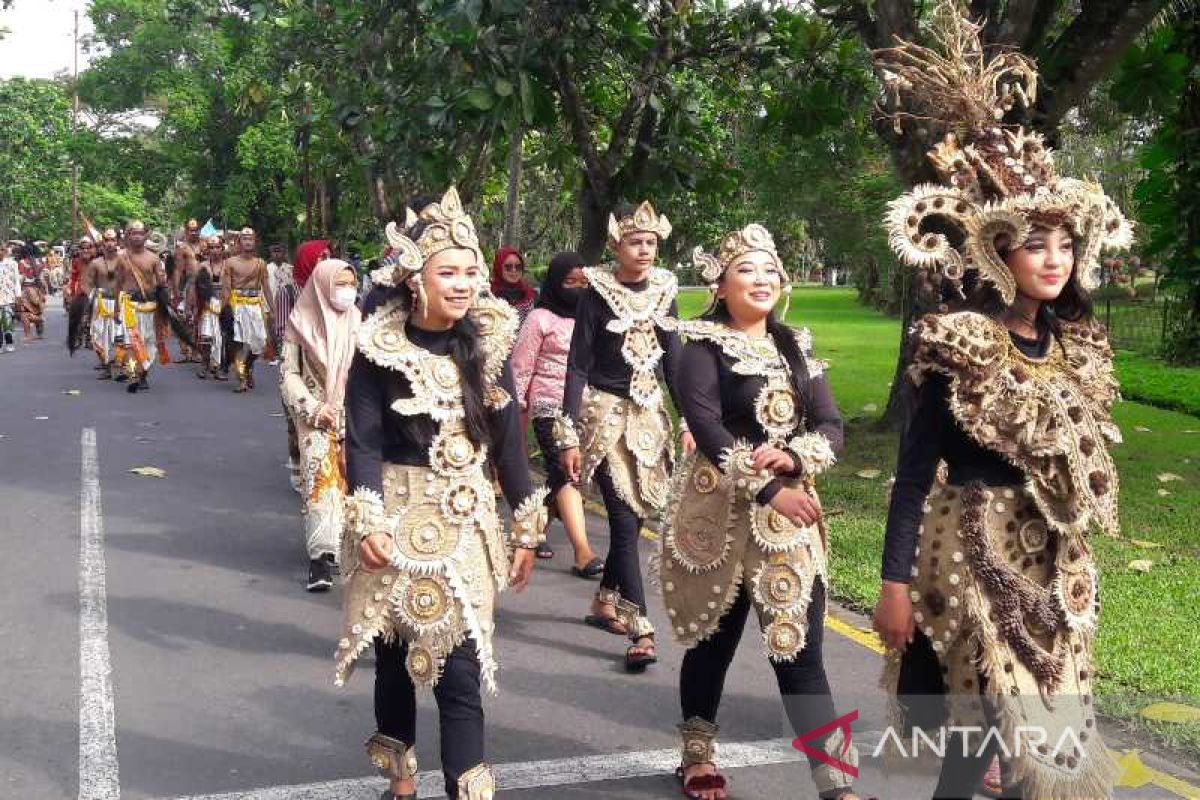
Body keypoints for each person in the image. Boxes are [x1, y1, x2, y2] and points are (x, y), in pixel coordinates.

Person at [870, 5, 1133, 798]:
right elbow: (915, 473)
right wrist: (890, 586)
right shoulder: (958, 344)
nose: (1053, 260)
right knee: (980, 744)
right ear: (997, 251)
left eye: (1065, 244)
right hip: (975, 561)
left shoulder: (1080, 346)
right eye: (1035, 244)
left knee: (1050, 750)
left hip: (1060, 569)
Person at [336, 187, 546, 800]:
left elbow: (509, 446)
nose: (462, 283)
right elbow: (363, 442)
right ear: (414, 279)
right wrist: (369, 520)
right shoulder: (378, 348)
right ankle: (401, 775)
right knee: (397, 656)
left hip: (468, 521)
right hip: (395, 518)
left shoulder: (490, 342)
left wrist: (526, 525)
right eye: (447, 272)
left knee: (461, 667)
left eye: (470, 271)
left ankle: (465, 789)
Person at [663, 225, 858, 800]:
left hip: (786, 525)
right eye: (748, 269)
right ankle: (696, 755)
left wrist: (796, 454)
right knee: (711, 643)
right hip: (717, 518)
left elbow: (832, 425)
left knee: (798, 648)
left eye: (771, 269)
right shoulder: (698, 344)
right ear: (720, 285)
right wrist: (769, 488)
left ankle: (835, 783)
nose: (763, 279)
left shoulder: (796, 343)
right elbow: (705, 428)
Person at [556, 200, 694, 672]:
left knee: (636, 519)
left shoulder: (665, 289)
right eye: (636, 241)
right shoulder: (596, 292)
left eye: (652, 242)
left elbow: (673, 360)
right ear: (616, 245)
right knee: (621, 515)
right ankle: (642, 628)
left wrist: (689, 417)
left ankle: (606, 601)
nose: (645, 250)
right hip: (605, 414)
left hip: (649, 413)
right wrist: (567, 432)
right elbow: (577, 364)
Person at [509, 251, 602, 575]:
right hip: (548, 406)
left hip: (587, 407)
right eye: (569, 282)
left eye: (583, 283)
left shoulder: (593, 316)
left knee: (563, 477)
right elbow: (520, 367)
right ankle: (583, 552)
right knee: (566, 474)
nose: (577, 288)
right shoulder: (539, 319)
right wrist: (515, 411)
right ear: (555, 283)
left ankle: (530, 532)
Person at [280, 259, 362, 591]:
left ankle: (347, 547)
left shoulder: (360, 322)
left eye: (351, 284)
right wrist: (313, 409)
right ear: (322, 285)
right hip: (316, 419)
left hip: (355, 416)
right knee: (321, 482)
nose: (347, 291)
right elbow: (288, 374)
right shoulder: (300, 323)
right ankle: (319, 560)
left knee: (352, 483)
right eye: (339, 284)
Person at [115, 221, 167, 393]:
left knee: (148, 344)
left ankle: (142, 374)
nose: (137, 236)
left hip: (150, 306)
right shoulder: (121, 258)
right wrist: (116, 308)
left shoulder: (154, 258)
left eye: (140, 233)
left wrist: (162, 280)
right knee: (131, 343)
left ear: (146, 235)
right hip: (129, 306)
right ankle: (132, 375)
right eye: (133, 233)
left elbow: (161, 284)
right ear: (128, 236)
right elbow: (118, 284)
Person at [224, 227, 273, 393]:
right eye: (244, 239)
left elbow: (266, 287)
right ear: (239, 242)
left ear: (255, 242)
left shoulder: (260, 264)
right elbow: (226, 287)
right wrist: (225, 310)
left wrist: (272, 309)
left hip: (255, 306)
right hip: (237, 305)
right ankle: (242, 379)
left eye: (250, 239)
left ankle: (247, 366)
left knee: (259, 343)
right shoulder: (230, 262)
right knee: (238, 344)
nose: (247, 241)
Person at [84, 230, 125, 378]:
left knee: (123, 337)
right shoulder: (95, 263)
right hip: (101, 304)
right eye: (107, 240)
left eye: (113, 240)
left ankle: (123, 368)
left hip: (121, 303)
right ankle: (107, 368)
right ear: (102, 242)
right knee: (99, 336)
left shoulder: (125, 261)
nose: (110, 243)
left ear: (118, 242)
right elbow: (88, 284)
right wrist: (91, 300)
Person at [194, 235, 229, 380]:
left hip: (225, 302)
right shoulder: (202, 266)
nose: (215, 250)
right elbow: (197, 287)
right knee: (206, 336)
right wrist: (195, 306)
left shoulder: (228, 265)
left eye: (217, 247)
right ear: (207, 250)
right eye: (212, 248)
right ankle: (205, 363)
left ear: (222, 249)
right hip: (207, 304)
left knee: (222, 336)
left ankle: (219, 365)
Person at [490, 246, 536, 324]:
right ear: (499, 268)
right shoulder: (489, 297)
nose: (513, 270)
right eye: (508, 267)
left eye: (518, 267)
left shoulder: (531, 296)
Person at [266, 242, 293, 364]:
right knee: (271, 329)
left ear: (284, 253)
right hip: (270, 302)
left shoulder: (290, 269)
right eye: (274, 252)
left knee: (284, 329)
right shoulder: (266, 268)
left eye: (279, 251)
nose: (277, 254)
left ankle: (284, 353)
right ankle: (273, 353)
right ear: (271, 254)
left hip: (285, 304)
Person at [16, 243, 47, 341]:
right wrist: (44, 292)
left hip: (25, 290)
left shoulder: (22, 262)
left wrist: (16, 290)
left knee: (24, 314)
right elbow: (42, 278)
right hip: (37, 290)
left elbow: (21, 278)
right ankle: (39, 328)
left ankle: (28, 335)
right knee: (37, 312)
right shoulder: (39, 262)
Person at [0, 245, 19, 353]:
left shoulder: (12, 264)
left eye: (2, 250)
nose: (1, 252)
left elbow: (16, 280)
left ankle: (9, 342)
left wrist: (18, 295)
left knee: (7, 321)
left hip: (8, 297)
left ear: (6, 251)